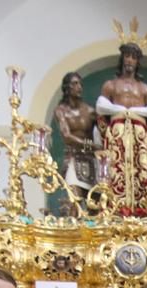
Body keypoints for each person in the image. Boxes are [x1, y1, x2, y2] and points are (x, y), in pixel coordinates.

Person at [97, 42, 147, 210]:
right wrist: (109, 130)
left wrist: (144, 132)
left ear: (138, 62)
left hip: (139, 136)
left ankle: (143, 207)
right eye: (127, 56)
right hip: (117, 133)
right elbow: (101, 110)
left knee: (142, 169)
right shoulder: (111, 85)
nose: (129, 60)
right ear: (122, 58)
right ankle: (116, 207)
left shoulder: (145, 89)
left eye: (133, 57)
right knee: (115, 169)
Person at [52, 70, 95, 208]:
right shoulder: (61, 111)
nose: (79, 87)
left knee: (94, 205)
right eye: (75, 84)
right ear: (67, 88)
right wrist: (91, 145)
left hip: (90, 160)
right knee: (74, 202)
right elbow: (67, 136)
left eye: (80, 84)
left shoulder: (89, 111)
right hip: (72, 158)